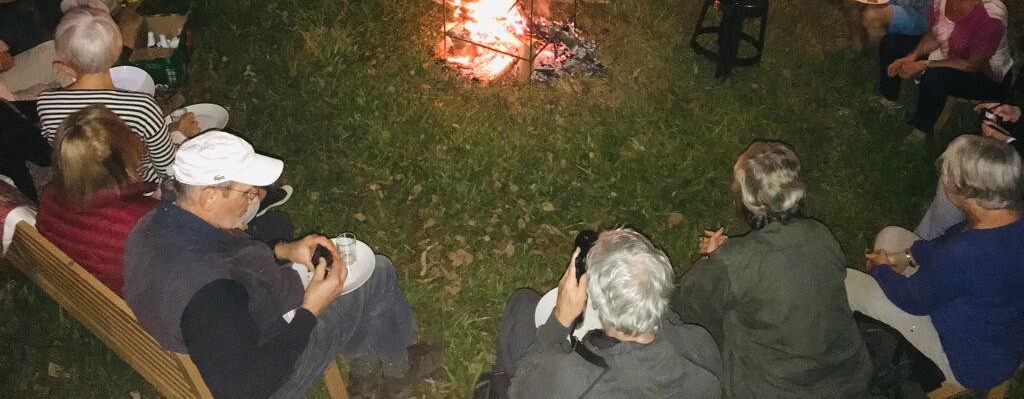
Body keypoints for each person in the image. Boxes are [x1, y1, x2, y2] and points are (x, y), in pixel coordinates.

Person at [123, 131, 443, 399]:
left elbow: (228, 261)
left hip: (242, 322)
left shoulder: (157, 224)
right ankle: (395, 370)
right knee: (378, 273)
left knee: (352, 278)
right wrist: (310, 311)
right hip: (274, 367)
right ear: (208, 196)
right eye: (248, 190)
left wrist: (285, 251)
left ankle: (366, 370)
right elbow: (246, 389)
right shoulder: (209, 297)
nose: (257, 195)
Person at [674, 140, 873, 399]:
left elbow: (684, 305)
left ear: (748, 199)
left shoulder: (734, 263)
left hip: (779, 390)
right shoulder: (820, 235)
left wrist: (712, 261)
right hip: (848, 376)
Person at [846, 134, 1024, 391]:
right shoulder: (1006, 216)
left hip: (968, 362)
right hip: (1001, 334)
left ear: (969, 193)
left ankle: (833, 349)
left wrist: (882, 270)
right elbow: (947, 244)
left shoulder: (965, 255)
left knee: (849, 283)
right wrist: (908, 256)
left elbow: (913, 301)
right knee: (891, 237)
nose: (943, 180)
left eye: (946, 176)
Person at [481, 227, 722, 399]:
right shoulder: (699, 347)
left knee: (522, 304)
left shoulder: (575, 379)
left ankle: (494, 385)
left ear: (594, 299)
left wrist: (558, 323)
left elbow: (522, 391)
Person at [36, 8, 197, 182]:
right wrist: (178, 135)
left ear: (64, 61)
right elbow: (167, 169)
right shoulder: (142, 107)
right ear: (118, 49)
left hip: (86, 186)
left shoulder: (46, 103)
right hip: (139, 188)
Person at [878, 0, 1013, 140]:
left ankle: (921, 129)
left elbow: (973, 64)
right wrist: (911, 57)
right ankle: (889, 98)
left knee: (935, 76)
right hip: (950, 50)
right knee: (891, 43)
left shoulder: (992, 16)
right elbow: (935, 34)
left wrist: (924, 64)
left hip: (985, 75)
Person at [35, 105, 157, 293]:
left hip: (85, 292)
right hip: (133, 304)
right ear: (124, 153)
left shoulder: (50, 196)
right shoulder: (144, 219)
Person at [916, 103, 1024, 240]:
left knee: (957, 170)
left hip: (1016, 188)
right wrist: (1017, 115)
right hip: (1014, 165)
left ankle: (927, 239)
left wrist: (1006, 141)